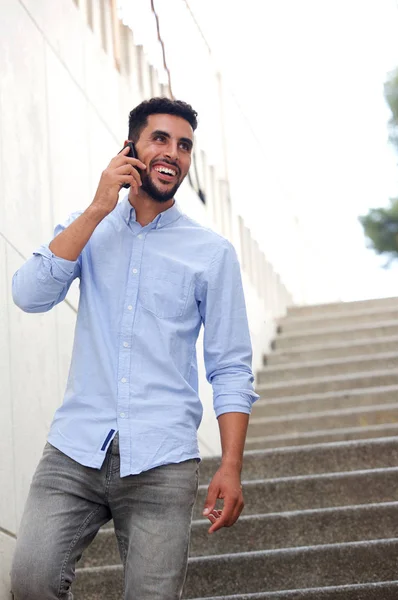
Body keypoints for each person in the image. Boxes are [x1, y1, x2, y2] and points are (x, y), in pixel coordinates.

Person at [10, 97, 259, 600]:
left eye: (184, 145)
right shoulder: (89, 227)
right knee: (32, 582)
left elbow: (230, 366)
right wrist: (100, 205)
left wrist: (230, 465)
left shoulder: (212, 254)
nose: (173, 153)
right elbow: (28, 294)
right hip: (74, 451)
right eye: (160, 139)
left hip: (162, 462)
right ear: (131, 147)